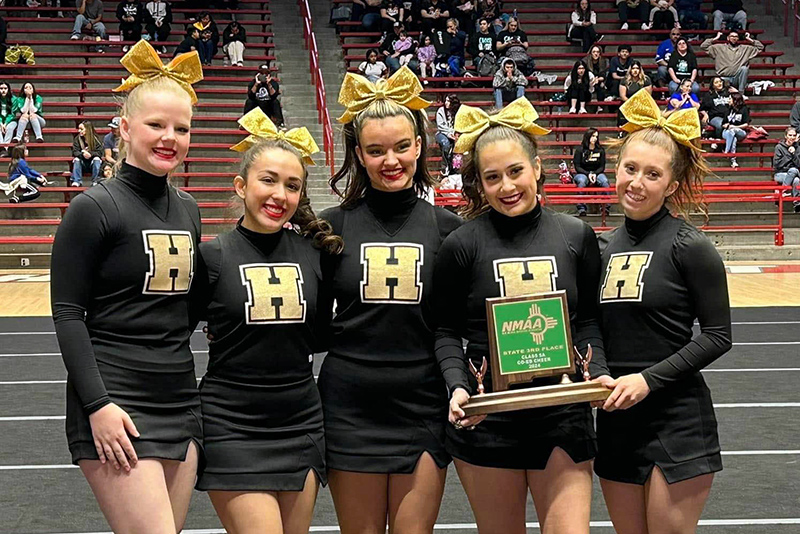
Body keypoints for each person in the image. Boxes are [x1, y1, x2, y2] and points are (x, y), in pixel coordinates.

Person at [50, 40, 204, 533]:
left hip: (179, 397)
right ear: (124, 127)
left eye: (181, 128)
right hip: (116, 399)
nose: (170, 138)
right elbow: (68, 314)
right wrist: (97, 404)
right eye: (156, 125)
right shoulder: (92, 209)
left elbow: (190, 308)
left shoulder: (190, 209)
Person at [435, 97, 609, 534]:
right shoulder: (461, 244)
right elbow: (446, 330)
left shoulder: (575, 235)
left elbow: (587, 319)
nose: (507, 186)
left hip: (563, 413)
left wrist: (597, 374)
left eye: (515, 171)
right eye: (492, 177)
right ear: (479, 184)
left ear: (536, 168)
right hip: (489, 416)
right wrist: (459, 387)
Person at [319, 66, 461, 534]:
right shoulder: (329, 226)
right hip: (349, 401)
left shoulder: (449, 229)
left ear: (419, 146)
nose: (391, 160)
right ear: (359, 154)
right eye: (376, 150)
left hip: (422, 400)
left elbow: (459, 324)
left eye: (402, 147)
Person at [193, 108, 343, 534]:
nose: (280, 194)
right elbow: (167, 336)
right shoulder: (213, 257)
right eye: (268, 180)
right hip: (232, 426)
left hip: (301, 422)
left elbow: (320, 336)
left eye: (292, 186)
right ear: (241, 186)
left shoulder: (314, 256)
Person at [596, 88, 732, 534]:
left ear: (671, 185)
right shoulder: (601, 247)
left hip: (676, 420)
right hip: (617, 418)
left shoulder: (690, 246)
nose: (636, 182)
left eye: (652, 174)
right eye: (629, 168)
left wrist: (647, 380)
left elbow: (717, 336)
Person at [574, 127, 610, 215]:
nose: (595, 138)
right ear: (588, 136)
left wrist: (594, 174)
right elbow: (577, 167)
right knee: (581, 181)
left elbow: (602, 167)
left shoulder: (600, 150)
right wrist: (588, 174)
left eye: (596, 136)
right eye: (593, 136)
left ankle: (605, 207)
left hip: (597, 172)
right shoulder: (580, 150)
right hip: (582, 173)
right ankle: (581, 208)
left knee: (605, 181)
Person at [773, 127, 800, 213]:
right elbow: (777, 164)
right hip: (780, 174)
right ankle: (783, 191)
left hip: (794, 174)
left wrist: (794, 154)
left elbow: (799, 164)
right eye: (790, 135)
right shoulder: (779, 147)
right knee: (793, 170)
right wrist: (789, 155)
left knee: (796, 180)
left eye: (794, 135)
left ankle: (797, 203)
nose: (792, 137)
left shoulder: (798, 148)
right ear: (786, 136)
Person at [71, 120, 103, 187]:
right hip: (82, 163)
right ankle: (77, 181)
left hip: (92, 163)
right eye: (79, 129)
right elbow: (75, 152)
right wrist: (83, 154)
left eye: (81, 129)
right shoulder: (77, 139)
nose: (79, 131)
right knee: (76, 160)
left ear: (88, 129)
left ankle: (95, 181)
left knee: (97, 159)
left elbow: (100, 152)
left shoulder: (96, 139)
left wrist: (90, 154)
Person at [721, 91, 748, 168]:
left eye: (730, 99)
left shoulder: (744, 109)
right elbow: (723, 123)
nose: (728, 101)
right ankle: (733, 160)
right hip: (727, 131)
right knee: (733, 138)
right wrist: (727, 126)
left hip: (740, 131)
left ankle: (726, 151)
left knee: (733, 131)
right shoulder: (728, 109)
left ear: (735, 100)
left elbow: (746, 124)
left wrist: (735, 127)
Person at [436, 93, 460, 176]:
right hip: (442, 133)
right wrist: (449, 133)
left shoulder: (458, 112)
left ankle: (456, 167)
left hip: (455, 133)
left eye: (448, 101)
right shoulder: (441, 111)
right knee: (446, 144)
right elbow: (440, 126)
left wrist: (455, 133)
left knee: (458, 145)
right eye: (445, 101)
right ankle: (446, 166)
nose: (446, 103)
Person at [0, 82, 17, 152]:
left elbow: (12, 114)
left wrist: (5, 123)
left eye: (5, 88)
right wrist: (1, 123)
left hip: (11, 120)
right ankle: (1, 147)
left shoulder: (14, 99)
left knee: (9, 128)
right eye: (1, 88)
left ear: (8, 89)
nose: (3, 90)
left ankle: (5, 148)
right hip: (0, 121)